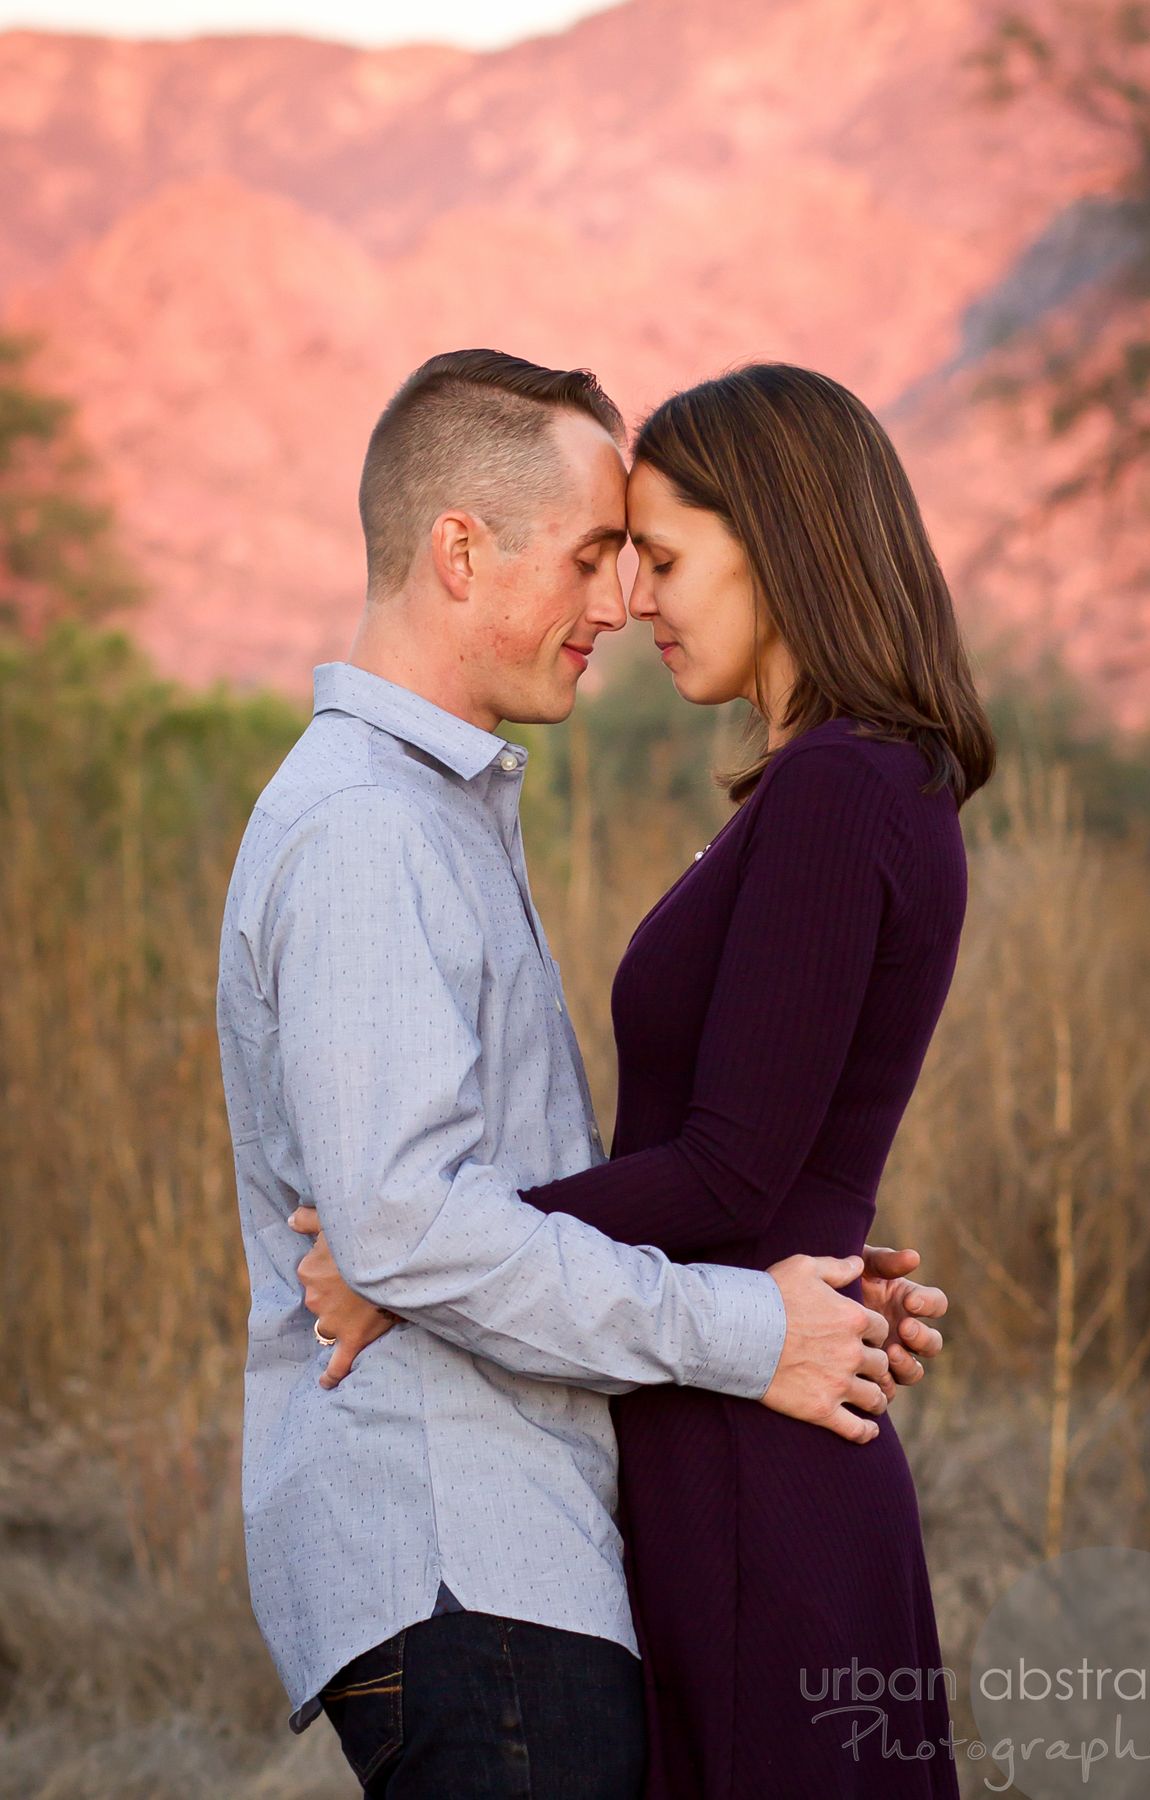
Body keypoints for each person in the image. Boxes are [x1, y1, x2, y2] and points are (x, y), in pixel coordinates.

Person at [218, 350, 953, 1800]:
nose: (623, 601)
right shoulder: (372, 827)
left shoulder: (467, 813)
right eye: (604, 554)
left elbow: (724, 1163)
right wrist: (754, 1312)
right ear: (461, 548)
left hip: (605, 1515)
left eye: (653, 557)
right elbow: (419, 1217)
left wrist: (801, 1271)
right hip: (471, 1553)